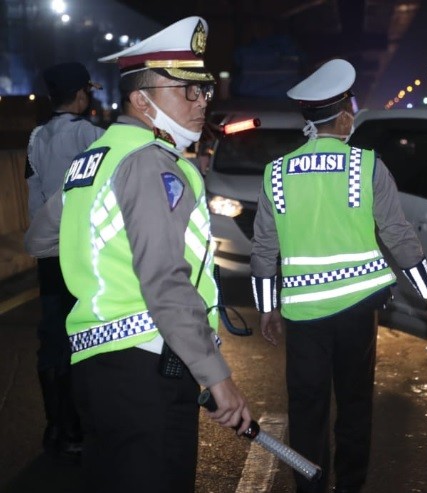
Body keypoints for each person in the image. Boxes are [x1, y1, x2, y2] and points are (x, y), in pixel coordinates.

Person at [24, 16, 252, 493]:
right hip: (145, 369)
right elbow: (165, 279)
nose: (200, 103)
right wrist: (216, 376)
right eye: (185, 91)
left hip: (96, 367)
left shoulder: (97, 158)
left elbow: (40, 239)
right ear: (141, 99)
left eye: (203, 91)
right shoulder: (150, 162)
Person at [250, 58, 427, 493]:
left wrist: (267, 307)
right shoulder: (366, 166)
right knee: (355, 408)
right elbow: (398, 236)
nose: (354, 115)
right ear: (343, 115)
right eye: (352, 108)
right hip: (357, 314)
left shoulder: (277, 174)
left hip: (303, 317)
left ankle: (310, 487)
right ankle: (350, 487)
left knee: (307, 411)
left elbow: (264, 248)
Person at [24, 61, 105, 461]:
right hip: (84, 255)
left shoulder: (36, 137)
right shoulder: (93, 136)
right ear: (80, 95)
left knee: (53, 339)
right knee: (84, 340)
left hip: (47, 254)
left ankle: (55, 427)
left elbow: (34, 195)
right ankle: (80, 426)